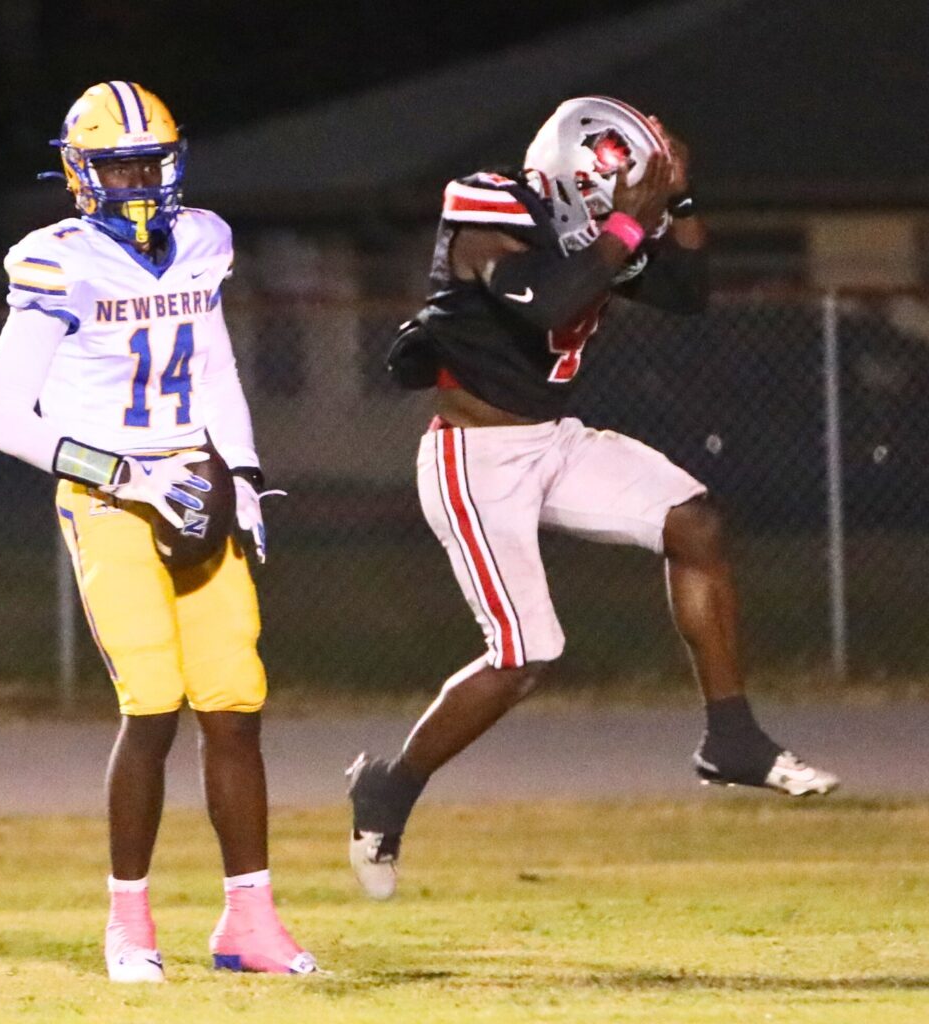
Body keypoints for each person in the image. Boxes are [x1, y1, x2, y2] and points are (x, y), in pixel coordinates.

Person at [348, 96, 839, 900]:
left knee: (696, 522)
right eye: (619, 190)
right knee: (525, 655)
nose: (624, 209)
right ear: (577, 174)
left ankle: (731, 738)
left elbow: (686, 292)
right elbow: (545, 299)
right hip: (476, 459)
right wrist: (625, 227)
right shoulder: (487, 205)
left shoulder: (594, 227)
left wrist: (676, 200)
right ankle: (389, 788)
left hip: (552, 437)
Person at [0, 82, 316, 978]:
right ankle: (129, 924)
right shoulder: (55, 261)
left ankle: (248, 924)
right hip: (110, 493)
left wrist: (242, 478)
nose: (135, 179)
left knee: (235, 704)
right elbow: (8, 418)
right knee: (154, 701)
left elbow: (213, 372)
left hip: (197, 483)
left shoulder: (205, 240)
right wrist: (131, 475)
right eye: (117, 164)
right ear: (79, 173)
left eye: (147, 162)